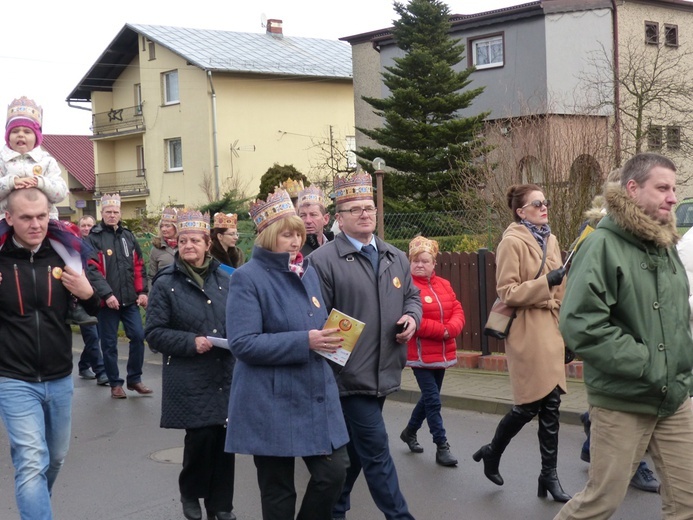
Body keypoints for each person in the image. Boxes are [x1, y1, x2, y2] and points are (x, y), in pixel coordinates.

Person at [555, 152, 693, 519]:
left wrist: (683, 368)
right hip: (623, 398)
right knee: (601, 501)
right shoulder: (602, 245)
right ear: (632, 189)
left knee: (688, 501)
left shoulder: (666, 248)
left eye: (674, 188)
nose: (673, 197)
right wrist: (647, 363)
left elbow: (678, 318)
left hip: (675, 398)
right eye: (662, 187)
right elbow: (580, 323)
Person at [225, 188, 349, 520]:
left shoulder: (305, 271)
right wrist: (304, 342)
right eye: (287, 234)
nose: (296, 241)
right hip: (269, 399)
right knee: (278, 491)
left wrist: (332, 338)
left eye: (298, 233)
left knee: (334, 472)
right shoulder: (246, 278)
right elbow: (243, 343)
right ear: (267, 237)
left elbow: (315, 324)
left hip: (313, 393)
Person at [309, 172, 422, 520]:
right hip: (347, 378)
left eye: (369, 207)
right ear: (339, 219)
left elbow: (412, 297)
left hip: (384, 370)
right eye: (355, 209)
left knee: (356, 453)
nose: (364, 213)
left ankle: (334, 508)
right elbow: (314, 318)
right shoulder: (322, 260)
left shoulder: (395, 256)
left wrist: (412, 318)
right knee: (376, 452)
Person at [0, 188, 99, 519]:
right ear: (9, 218)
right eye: (26, 218)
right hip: (13, 378)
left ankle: (37, 501)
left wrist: (88, 294)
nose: (35, 224)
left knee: (54, 458)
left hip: (58, 377)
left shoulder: (65, 256)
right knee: (31, 459)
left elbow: (95, 305)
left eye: (42, 216)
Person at [472, 184, 571, 503]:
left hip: (552, 326)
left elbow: (563, 290)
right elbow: (507, 292)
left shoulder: (552, 238)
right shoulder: (511, 242)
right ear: (520, 211)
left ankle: (549, 476)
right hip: (527, 330)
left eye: (546, 202)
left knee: (552, 405)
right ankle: (492, 451)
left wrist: (568, 332)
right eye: (537, 203)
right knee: (530, 404)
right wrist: (547, 282)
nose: (545, 207)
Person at [145, 209, 236, 520]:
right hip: (188, 373)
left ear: (207, 243)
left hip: (224, 371)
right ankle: (191, 493)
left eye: (195, 240)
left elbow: (238, 319)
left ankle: (221, 505)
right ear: (177, 245)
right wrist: (190, 342)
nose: (188, 245)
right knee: (200, 438)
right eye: (183, 240)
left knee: (224, 439)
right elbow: (154, 333)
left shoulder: (226, 279)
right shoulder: (166, 283)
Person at [574, 168, 659, 494]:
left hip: (643, 337)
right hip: (617, 337)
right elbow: (582, 286)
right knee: (628, 407)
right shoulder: (597, 230)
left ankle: (590, 425)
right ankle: (635, 467)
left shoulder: (650, 229)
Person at [0, 96, 95, 326]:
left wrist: (39, 182)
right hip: (6, 219)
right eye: (15, 131)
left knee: (70, 252)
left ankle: (74, 302)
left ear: (37, 136)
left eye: (26, 131)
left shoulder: (47, 161)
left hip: (48, 222)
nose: (20, 136)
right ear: (7, 135)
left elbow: (61, 191)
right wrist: (11, 182)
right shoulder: (2, 160)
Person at [399, 236, 465, 467]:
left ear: (434, 263)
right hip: (419, 355)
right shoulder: (406, 287)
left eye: (425, 261)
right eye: (415, 261)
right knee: (434, 401)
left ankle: (409, 431)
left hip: (442, 352)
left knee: (429, 398)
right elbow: (412, 320)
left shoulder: (444, 284)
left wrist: (452, 328)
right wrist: (443, 331)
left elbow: (457, 310)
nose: (419, 265)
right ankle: (442, 446)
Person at [86, 193, 152, 399]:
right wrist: (107, 295)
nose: (112, 215)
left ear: (120, 213)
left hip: (130, 300)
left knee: (138, 336)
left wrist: (142, 292)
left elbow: (139, 266)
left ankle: (134, 379)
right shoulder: (94, 238)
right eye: (108, 212)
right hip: (107, 303)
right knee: (109, 344)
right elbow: (92, 270)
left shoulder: (128, 236)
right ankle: (115, 383)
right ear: (102, 213)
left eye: (115, 212)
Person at [75, 214, 109, 386]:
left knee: (97, 336)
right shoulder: (74, 246)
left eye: (89, 225)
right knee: (92, 336)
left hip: (98, 297)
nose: (86, 228)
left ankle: (83, 365)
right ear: (79, 228)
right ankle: (101, 372)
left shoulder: (98, 244)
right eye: (83, 225)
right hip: (82, 299)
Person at [297, 185, 333, 256]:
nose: (308, 221)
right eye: (303, 215)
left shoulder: (337, 246)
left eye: (313, 215)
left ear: (326, 219)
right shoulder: (293, 250)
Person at [148, 206, 178, 282]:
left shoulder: (184, 246)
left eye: (167, 226)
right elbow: (152, 276)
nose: (163, 229)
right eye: (162, 226)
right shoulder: (156, 248)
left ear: (176, 228)